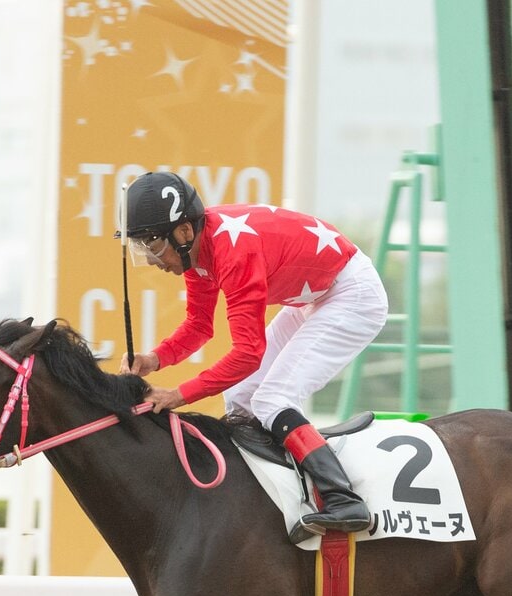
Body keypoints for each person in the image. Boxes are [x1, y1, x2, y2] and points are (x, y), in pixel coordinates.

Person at [118, 170, 389, 543]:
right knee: (242, 397)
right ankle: (263, 494)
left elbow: (247, 354)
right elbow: (199, 326)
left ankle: (343, 499)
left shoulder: (232, 251)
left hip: (352, 296)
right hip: (312, 297)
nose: (150, 260)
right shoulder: (197, 250)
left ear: (182, 232)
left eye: (151, 244)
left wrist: (177, 394)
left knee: (272, 399)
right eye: (140, 247)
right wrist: (155, 359)